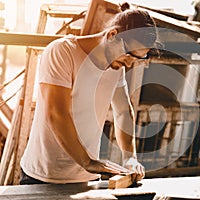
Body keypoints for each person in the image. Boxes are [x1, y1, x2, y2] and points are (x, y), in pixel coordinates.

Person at [20, 2, 158, 184]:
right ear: (112, 35)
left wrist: (129, 157)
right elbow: (56, 114)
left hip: (87, 177)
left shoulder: (116, 66)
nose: (129, 63)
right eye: (129, 55)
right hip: (43, 175)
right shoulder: (62, 52)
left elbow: (123, 111)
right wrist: (88, 162)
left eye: (137, 58)